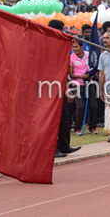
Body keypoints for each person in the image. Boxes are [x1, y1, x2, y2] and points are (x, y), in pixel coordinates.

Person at [48, 20, 81, 158]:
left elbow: (62, 70)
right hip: (48, 87)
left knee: (64, 118)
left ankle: (64, 145)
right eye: (62, 29)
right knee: (52, 120)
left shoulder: (60, 45)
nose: (64, 32)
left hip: (60, 85)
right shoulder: (49, 45)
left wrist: (67, 88)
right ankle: (52, 149)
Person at [69, 40, 98, 135]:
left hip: (89, 83)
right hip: (77, 85)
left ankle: (93, 127)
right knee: (80, 107)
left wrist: (92, 74)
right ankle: (78, 128)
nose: (75, 49)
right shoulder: (71, 58)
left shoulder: (88, 55)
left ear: (81, 47)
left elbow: (93, 67)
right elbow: (71, 74)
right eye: (73, 47)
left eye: (76, 47)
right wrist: (81, 76)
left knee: (93, 106)